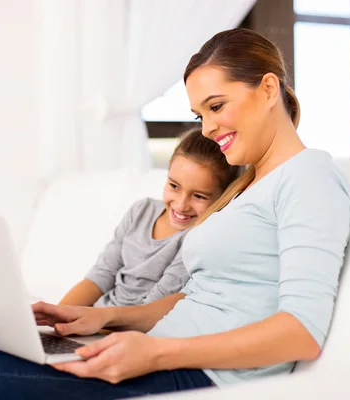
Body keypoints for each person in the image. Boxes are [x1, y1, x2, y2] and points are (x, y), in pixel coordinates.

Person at [0, 28, 350, 400]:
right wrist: (104, 319)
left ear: (268, 88)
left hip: (202, 380)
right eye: (199, 116)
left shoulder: (309, 175)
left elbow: (301, 331)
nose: (209, 128)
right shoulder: (246, 185)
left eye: (216, 106)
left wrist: (157, 354)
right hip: (166, 359)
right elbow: (197, 299)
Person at [56, 127, 242, 310]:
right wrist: (57, 316)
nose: (181, 205)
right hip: (97, 318)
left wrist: (97, 324)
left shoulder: (197, 238)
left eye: (199, 196)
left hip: (130, 328)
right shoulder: (141, 211)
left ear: (223, 196)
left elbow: (151, 309)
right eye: (174, 186)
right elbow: (100, 276)